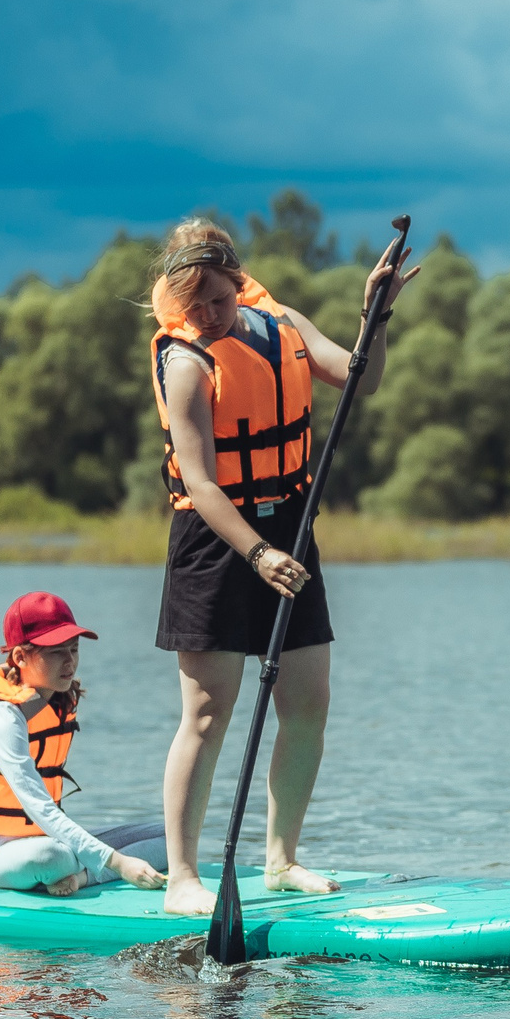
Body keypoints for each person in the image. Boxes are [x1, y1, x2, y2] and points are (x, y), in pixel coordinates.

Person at [145, 219, 416, 917]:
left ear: (238, 281)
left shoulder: (281, 324)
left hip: (289, 526)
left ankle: (280, 859)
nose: (207, 314)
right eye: (192, 303)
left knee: (308, 702)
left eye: (217, 297)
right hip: (216, 540)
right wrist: (258, 554)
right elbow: (201, 484)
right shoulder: (186, 363)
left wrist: (375, 315)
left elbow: (362, 380)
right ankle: (182, 878)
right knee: (209, 713)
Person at [0, 591, 169, 897]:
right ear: (20, 657)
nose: (69, 662)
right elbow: (40, 808)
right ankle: (87, 869)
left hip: (48, 837)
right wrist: (120, 863)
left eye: (74, 649)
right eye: (55, 652)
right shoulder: (1, 721)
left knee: (174, 838)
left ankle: (81, 878)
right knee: (54, 857)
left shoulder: (53, 699)